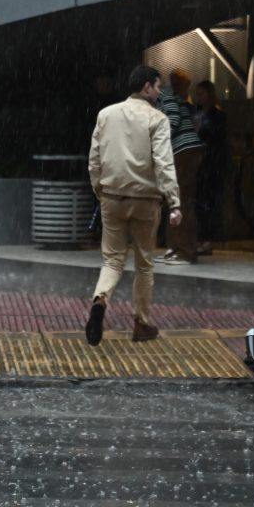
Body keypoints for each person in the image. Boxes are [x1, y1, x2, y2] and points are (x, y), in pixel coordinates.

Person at [85, 65, 181, 346]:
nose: (160, 92)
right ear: (146, 87)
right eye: (158, 86)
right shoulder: (157, 119)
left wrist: (99, 188)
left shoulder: (106, 114)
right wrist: (174, 201)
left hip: (112, 197)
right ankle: (141, 324)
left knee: (112, 260)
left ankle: (100, 300)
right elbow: (163, 162)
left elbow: (94, 157)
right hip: (145, 200)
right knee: (144, 264)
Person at [156, 68, 204, 265]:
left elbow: (174, 120)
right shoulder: (174, 97)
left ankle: (185, 251)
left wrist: (158, 141)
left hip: (182, 151)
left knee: (180, 200)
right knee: (176, 199)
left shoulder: (165, 95)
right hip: (186, 149)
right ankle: (175, 248)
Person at [192, 81, 228, 256]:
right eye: (197, 94)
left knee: (208, 203)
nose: (199, 98)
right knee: (199, 203)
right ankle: (200, 238)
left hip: (211, 165)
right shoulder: (197, 114)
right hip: (199, 165)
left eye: (202, 94)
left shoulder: (217, 117)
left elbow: (219, 142)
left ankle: (206, 239)